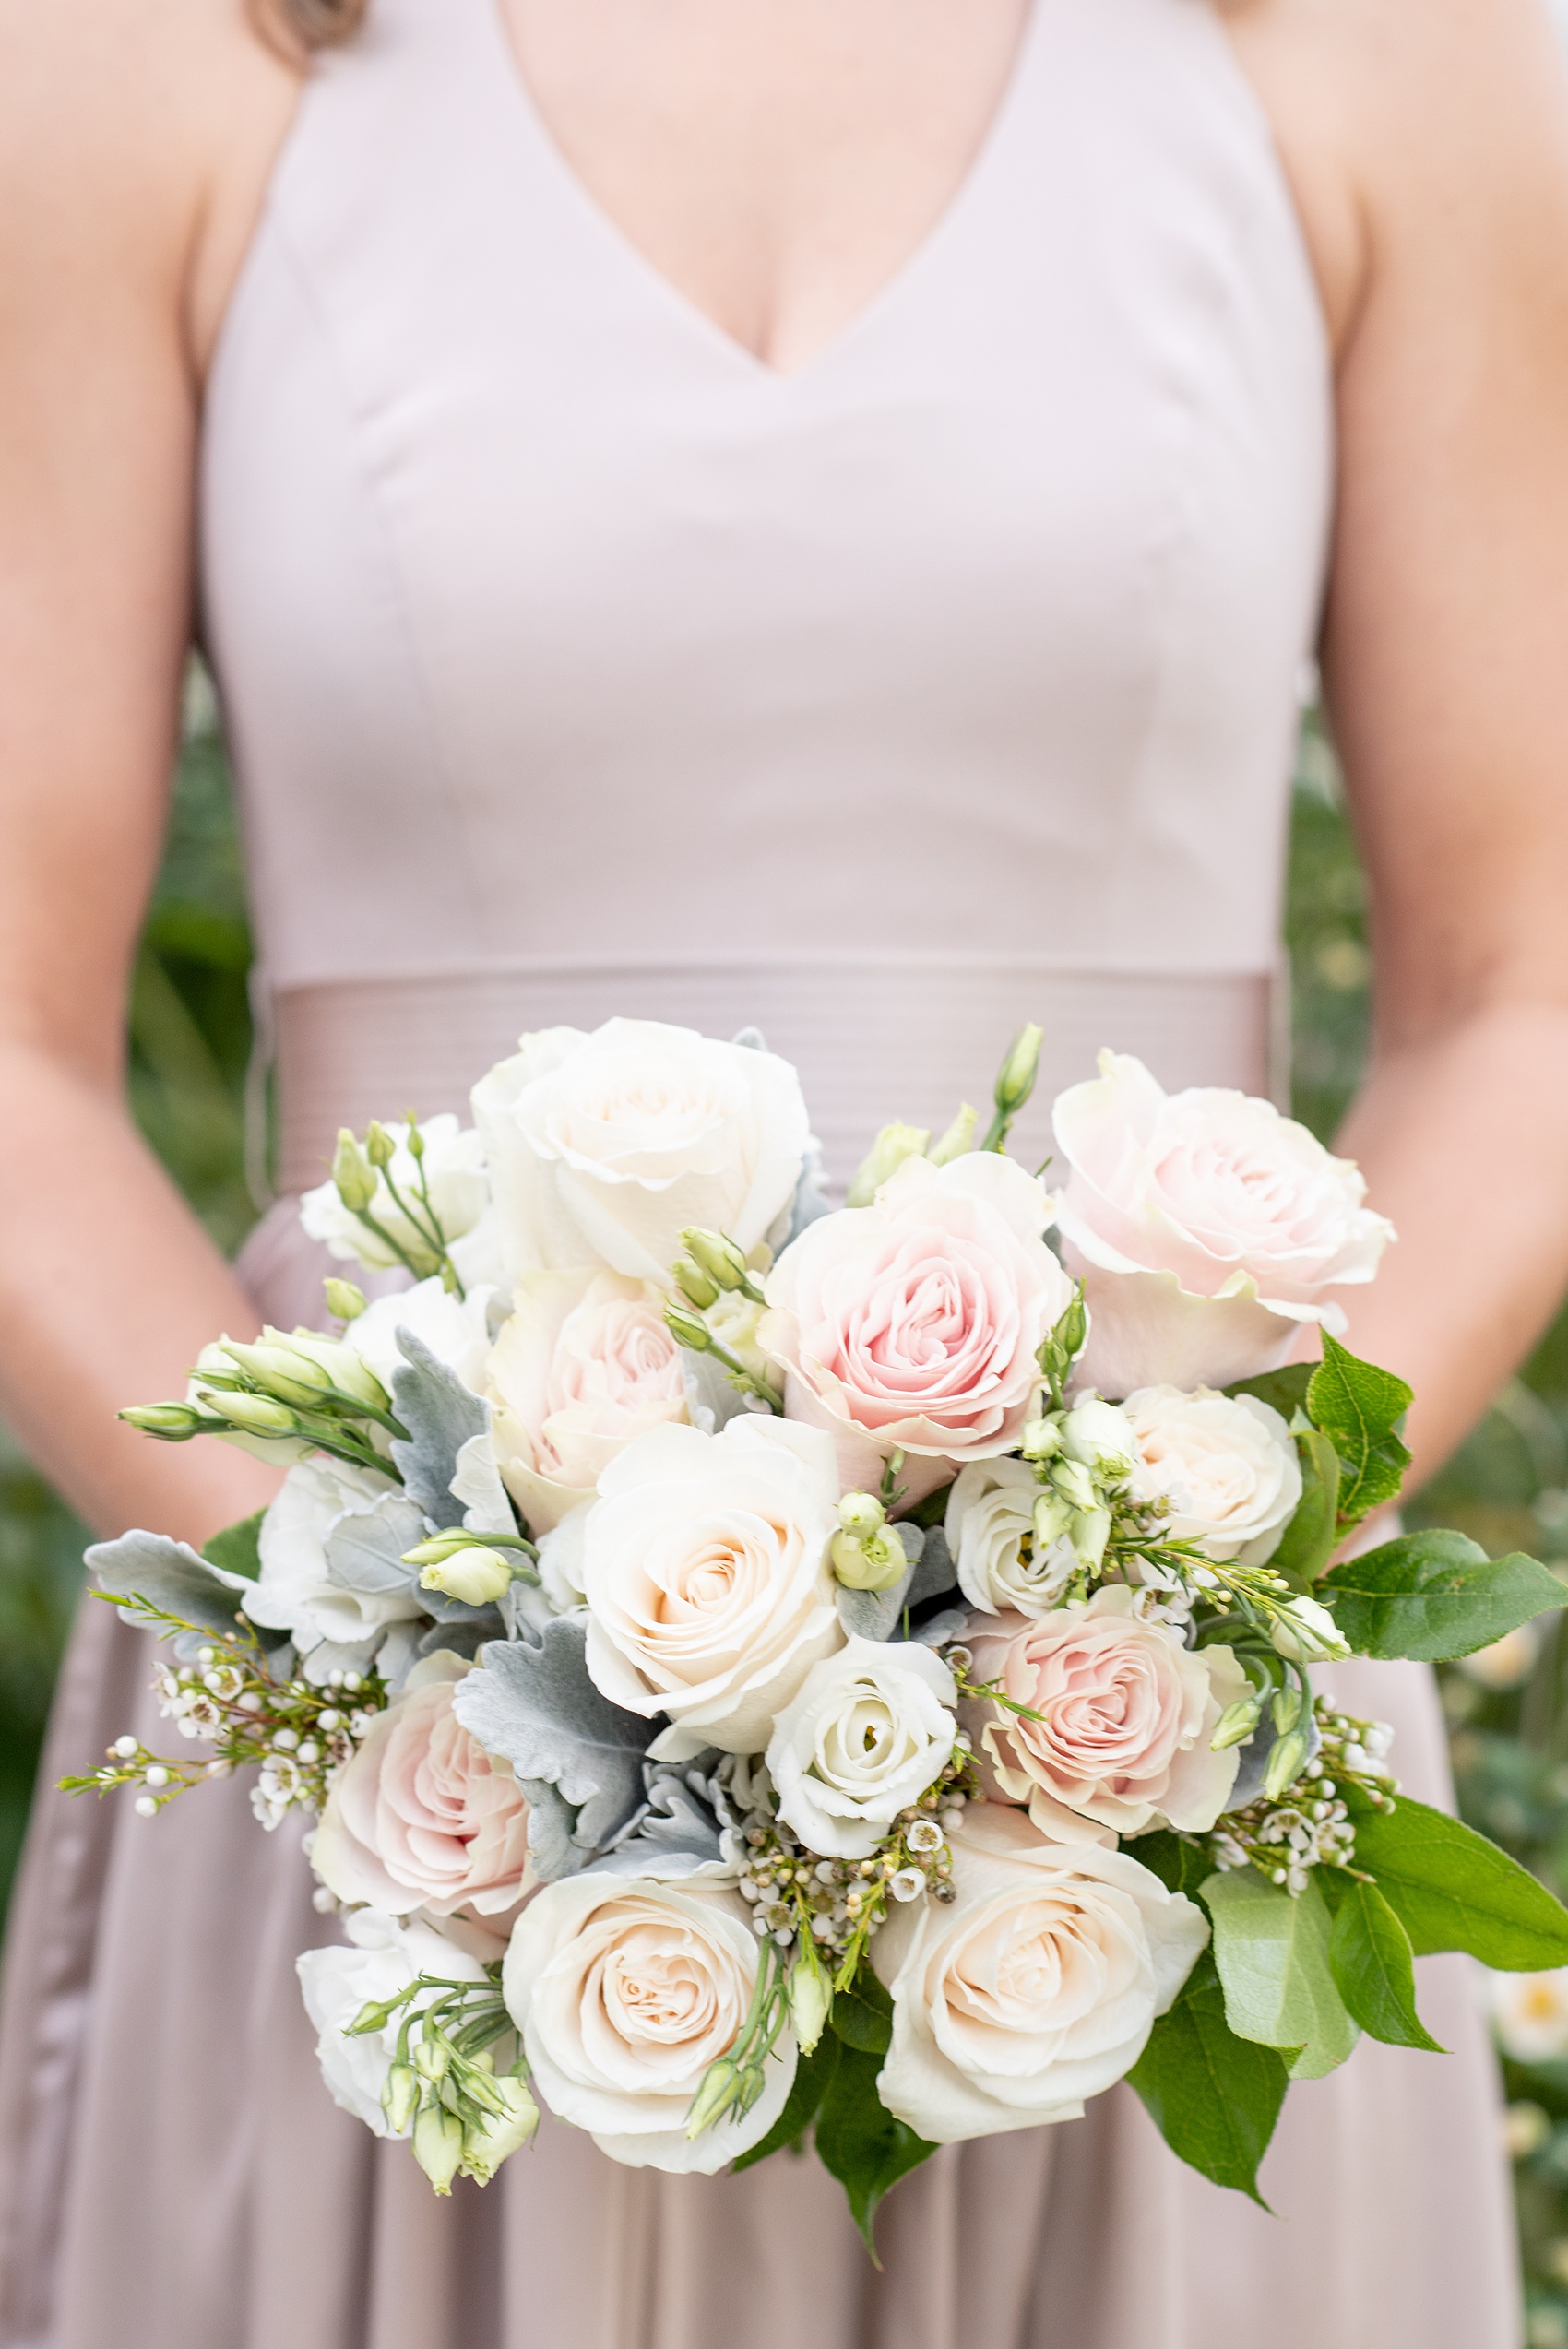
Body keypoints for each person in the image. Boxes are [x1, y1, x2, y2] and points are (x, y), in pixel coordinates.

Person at [3, 0, 1568, 2338]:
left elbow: (1518, 990)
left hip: (1150, 1779)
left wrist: (1123, 1628)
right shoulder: (148, 54)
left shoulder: (1381, 46)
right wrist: (393, 1656)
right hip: (382, 1806)